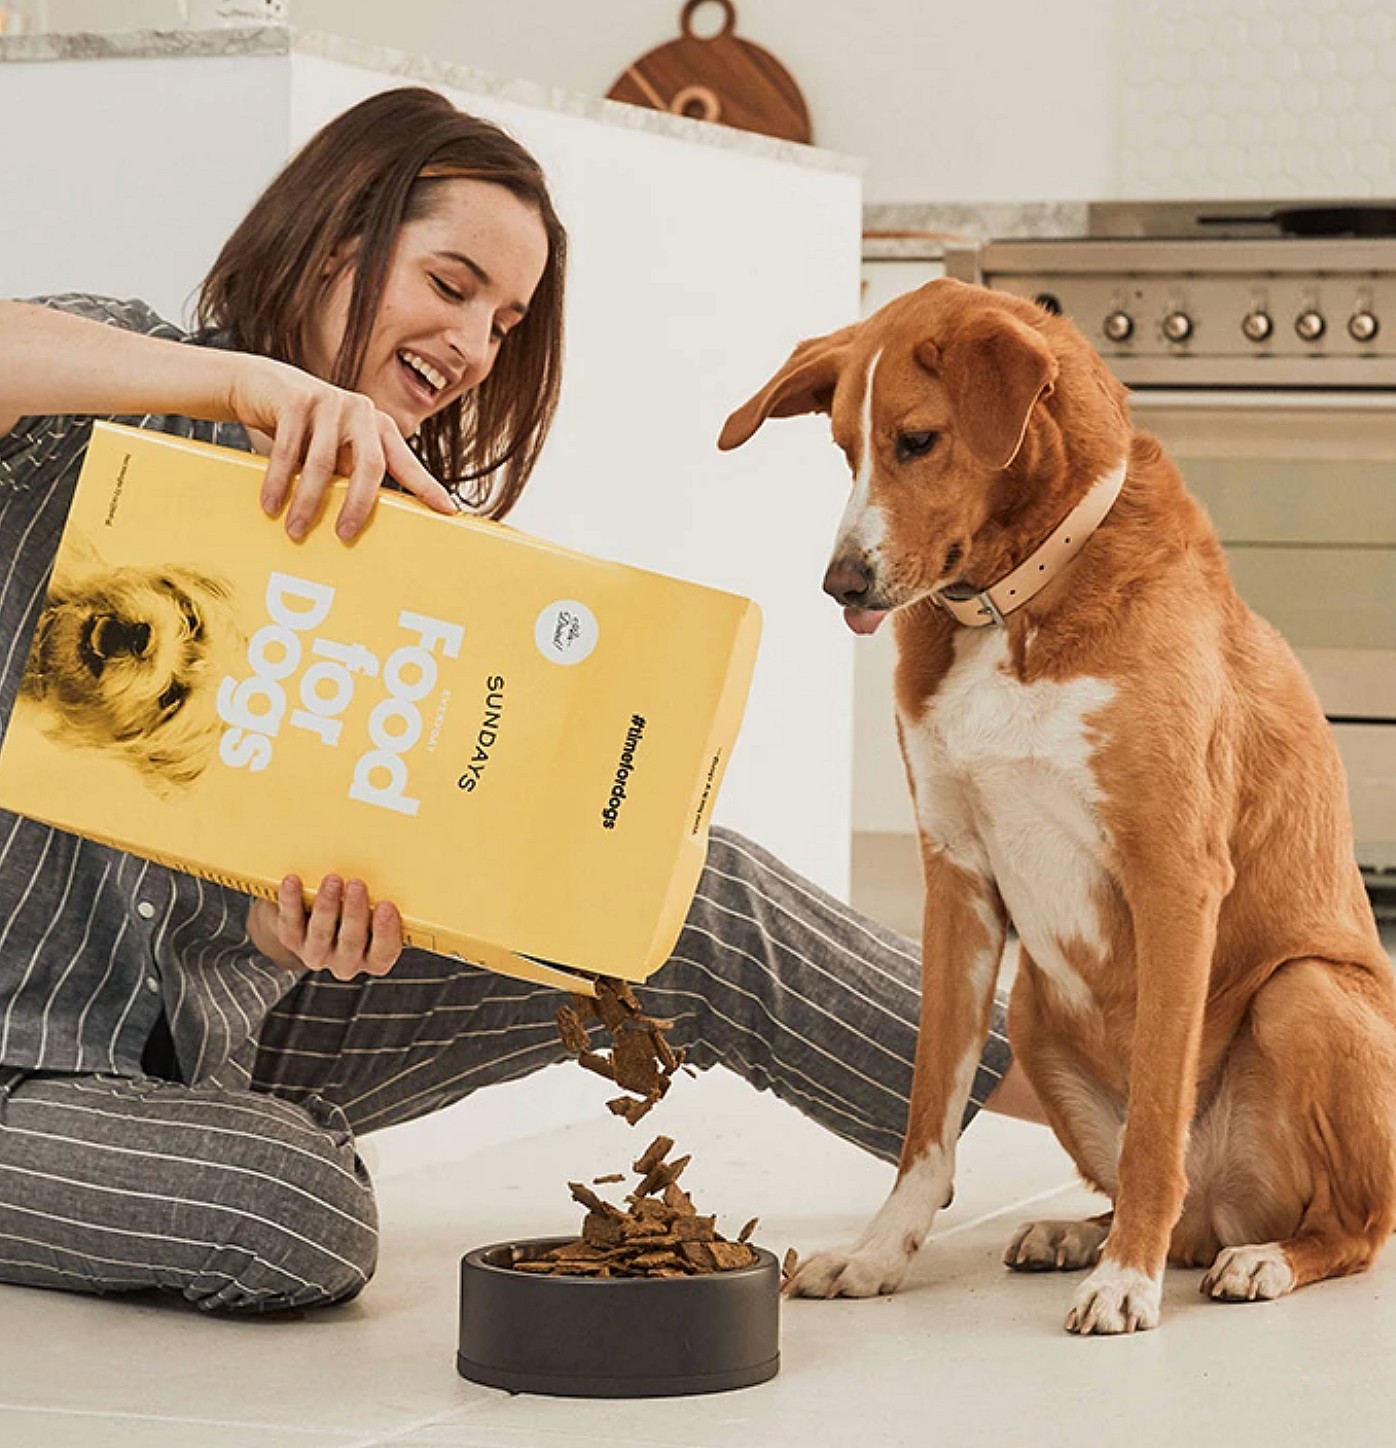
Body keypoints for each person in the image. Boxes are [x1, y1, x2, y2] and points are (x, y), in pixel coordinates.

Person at [0, 86, 1034, 1314]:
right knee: (292, 1213)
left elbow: (236, 909)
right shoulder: (117, 386)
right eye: (450, 285)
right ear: (339, 240)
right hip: (24, 1058)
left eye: (505, 320)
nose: (478, 346)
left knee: (687, 899)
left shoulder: (386, 536)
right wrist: (246, 388)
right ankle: (170, 1164)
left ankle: (1134, 1113)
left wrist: (295, 935)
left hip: (204, 1039)